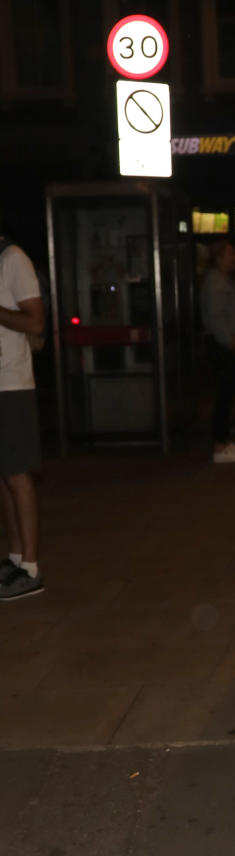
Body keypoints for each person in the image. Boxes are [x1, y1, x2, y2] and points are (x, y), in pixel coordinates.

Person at [0, 232, 46, 602]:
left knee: (18, 474)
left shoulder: (13, 257)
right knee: (5, 475)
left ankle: (30, 568)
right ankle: (15, 559)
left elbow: (35, 323)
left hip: (11, 383)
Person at [200, 238, 235, 463]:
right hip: (224, 346)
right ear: (219, 257)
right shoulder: (215, 283)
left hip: (228, 344)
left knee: (228, 395)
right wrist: (233, 343)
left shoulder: (222, 280)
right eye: (230, 254)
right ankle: (219, 446)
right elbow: (215, 319)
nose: (234, 258)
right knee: (223, 396)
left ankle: (224, 441)